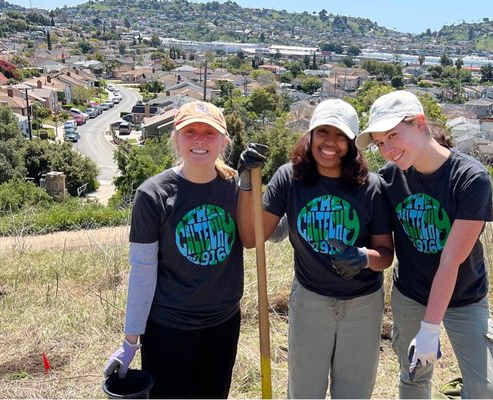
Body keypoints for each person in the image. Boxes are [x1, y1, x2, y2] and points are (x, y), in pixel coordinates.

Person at [236, 99, 394, 399]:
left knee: (354, 392)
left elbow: (386, 254)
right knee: (305, 391)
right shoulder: (289, 178)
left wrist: (363, 258)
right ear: (310, 136)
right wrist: (246, 185)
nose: (330, 142)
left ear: (351, 143)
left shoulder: (370, 187)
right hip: (310, 301)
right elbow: (252, 238)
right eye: (323, 132)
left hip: (363, 305)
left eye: (340, 136)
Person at [356, 90, 493, 399]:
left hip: (465, 295)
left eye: (394, 135)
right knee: (413, 378)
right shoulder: (388, 180)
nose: (388, 150)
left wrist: (430, 329)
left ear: (420, 123)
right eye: (380, 143)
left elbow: (451, 260)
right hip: (411, 294)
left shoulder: (470, 179)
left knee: (486, 389)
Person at [104, 101, 243, 399]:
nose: (199, 139)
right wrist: (130, 343)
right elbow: (142, 271)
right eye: (190, 131)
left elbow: (267, 229)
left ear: (223, 141)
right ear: (176, 138)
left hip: (223, 324)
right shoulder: (153, 195)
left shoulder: (237, 189)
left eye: (210, 132)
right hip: (168, 329)